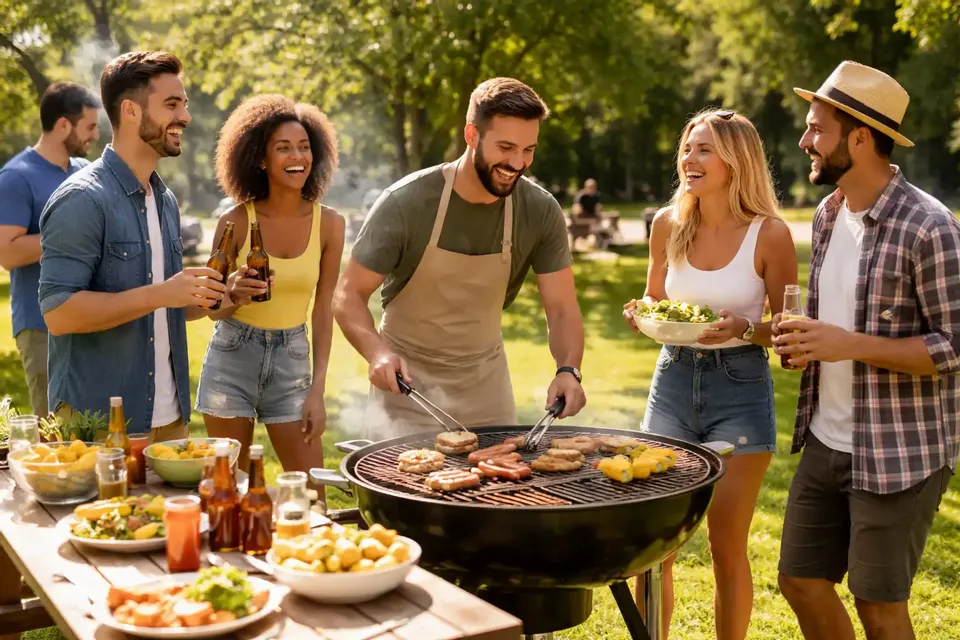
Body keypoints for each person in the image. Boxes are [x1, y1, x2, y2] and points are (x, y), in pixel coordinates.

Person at [774, 60, 958, 640]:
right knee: (799, 581)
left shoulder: (930, 226)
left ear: (859, 136)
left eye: (816, 129)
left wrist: (846, 344)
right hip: (825, 440)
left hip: (899, 452)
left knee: (879, 607)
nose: (805, 141)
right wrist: (804, 341)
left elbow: (953, 347)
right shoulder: (828, 215)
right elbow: (833, 322)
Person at [622, 108, 798, 640]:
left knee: (726, 545)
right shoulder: (667, 224)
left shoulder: (769, 235)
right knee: (657, 543)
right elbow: (656, 298)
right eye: (687, 148)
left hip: (740, 388)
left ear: (735, 162)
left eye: (703, 150)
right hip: (672, 381)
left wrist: (746, 329)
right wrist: (643, 313)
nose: (689, 159)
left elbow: (788, 328)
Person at [333, 77, 586, 438]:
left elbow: (561, 307)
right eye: (505, 147)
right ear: (471, 135)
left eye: (528, 149)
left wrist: (568, 369)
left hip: (487, 387)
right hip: (407, 387)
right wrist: (377, 353)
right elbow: (348, 295)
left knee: (496, 491)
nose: (517, 163)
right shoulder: (406, 202)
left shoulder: (540, 210)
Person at [38, 51, 227, 440]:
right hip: (100, 424)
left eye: (185, 105)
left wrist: (221, 296)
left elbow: (167, 306)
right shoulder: (82, 199)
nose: (186, 118)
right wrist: (161, 293)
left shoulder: (165, 200)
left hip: (170, 420)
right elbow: (59, 314)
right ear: (131, 110)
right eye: (171, 105)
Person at [195, 94, 344, 479]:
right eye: (283, 148)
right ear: (260, 159)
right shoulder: (235, 222)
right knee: (228, 494)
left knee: (313, 498)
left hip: (293, 362)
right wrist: (232, 293)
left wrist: (318, 390)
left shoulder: (330, 224)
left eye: (304, 147)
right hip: (232, 358)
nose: (297, 156)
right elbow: (210, 309)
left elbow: (324, 307)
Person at [0, 82, 101, 416]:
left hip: (90, 318)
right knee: (56, 431)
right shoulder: (16, 177)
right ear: (62, 126)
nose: (95, 136)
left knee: (98, 429)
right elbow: (7, 253)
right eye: (89, 127)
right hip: (40, 325)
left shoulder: (86, 173)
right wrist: (68, 235)